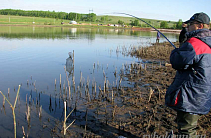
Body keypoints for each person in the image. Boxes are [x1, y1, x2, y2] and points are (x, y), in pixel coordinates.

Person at [165, 12, 211, 137]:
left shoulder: (196, 44)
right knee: (190, 126)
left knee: (187, 130)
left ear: (199, 26)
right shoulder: (208, 42)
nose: (187, 26)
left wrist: (175, 52)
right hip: (203, 93)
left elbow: (177, 62)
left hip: (192, 95)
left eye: (190, 24)